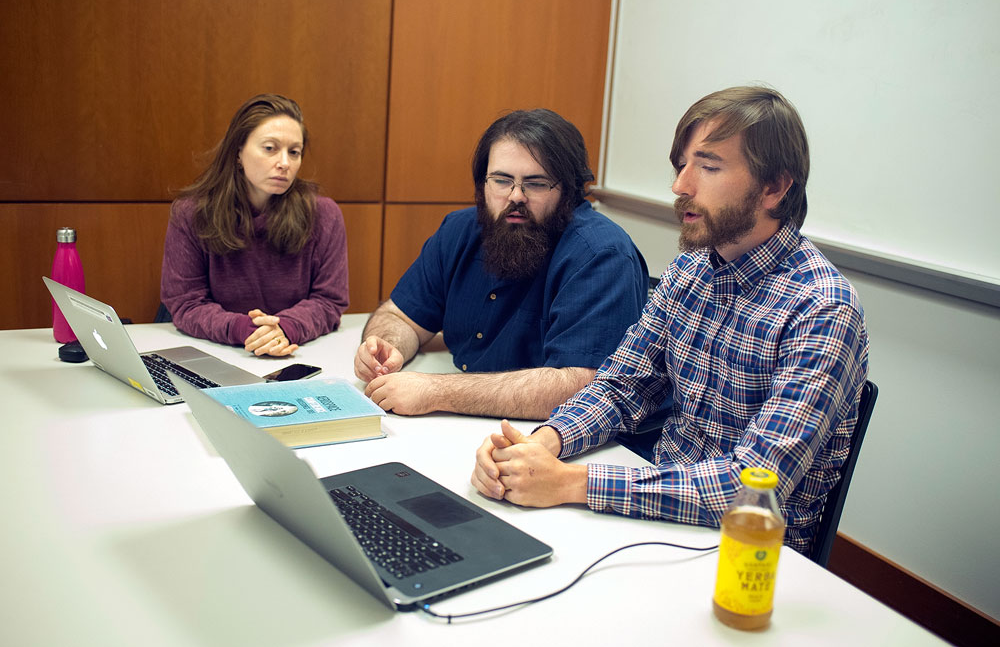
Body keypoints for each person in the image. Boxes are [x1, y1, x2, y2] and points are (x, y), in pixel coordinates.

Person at [471, 86, 870, 555]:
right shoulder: (690, 270)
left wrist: (570, 483)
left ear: (775, 187)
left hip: (747, 559)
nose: (681, 185)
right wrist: (542, 443)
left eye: (709, 166)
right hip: (656, 524)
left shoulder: (822, 309)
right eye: (681, 165)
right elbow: (621, 388)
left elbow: (751, 487)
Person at [354, 108, 649, 419]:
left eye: (535, 183)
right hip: (463, 425)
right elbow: (399, 316)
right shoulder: (459, 230)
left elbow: (580, 386)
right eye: (501, 180)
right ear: (484, 182)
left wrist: (436, 391)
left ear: (569, 191)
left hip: (557, 440)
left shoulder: (601, 254)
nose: (515, 196)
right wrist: (386, 349)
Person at [161, 94, 349, 356]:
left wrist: (286, 327)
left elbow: (329, 300)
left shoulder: (324, 214)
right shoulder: (191, 213)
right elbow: (186, 303)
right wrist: (244, 329)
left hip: (296, 351)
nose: (284, 163)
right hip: (214, 352)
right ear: (238, 152)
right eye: (270, 148)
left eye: (294, 152)